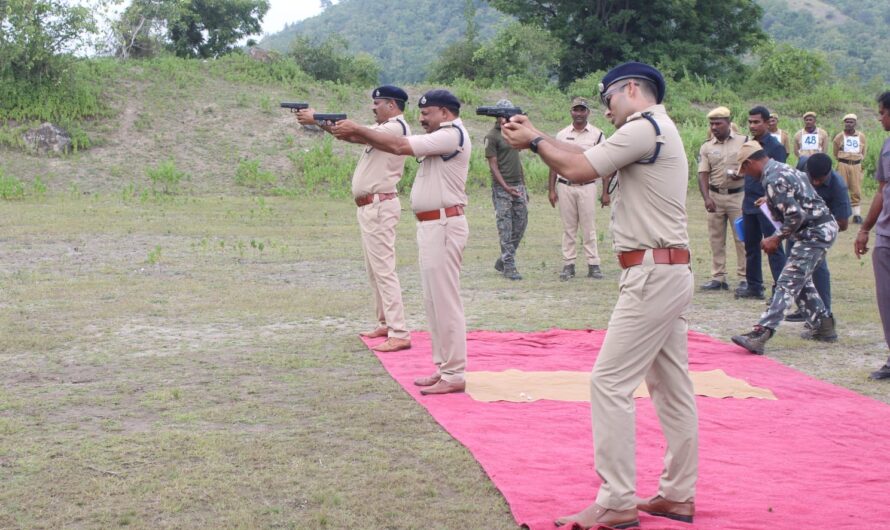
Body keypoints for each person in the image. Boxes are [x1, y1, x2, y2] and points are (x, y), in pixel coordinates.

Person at [502, 62, 698, 529]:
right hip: (666, 269)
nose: (605, 110)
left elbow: (578, 167)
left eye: (607, 99)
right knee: (671, 388)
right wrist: (541, 136)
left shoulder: (643, 127)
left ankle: (616, 500)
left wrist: (533, 139)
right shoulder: (653, 128)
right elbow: (578, 153)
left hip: (652, 273)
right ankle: (677, 493)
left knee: (609, 383)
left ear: (631, 90)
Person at [331, 89, 471, 395]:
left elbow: (396, 144)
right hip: (433, 224)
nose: (421, 119)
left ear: (445, 113)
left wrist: (357, 128)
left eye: (427, 113)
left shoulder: (452, 135)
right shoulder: (442, 135)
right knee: (434, 303)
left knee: (445, 302)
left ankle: (454, 372)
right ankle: (444, 369)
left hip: (445, 223)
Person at [296, 85, 412, 353]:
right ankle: (385, 323)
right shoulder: (381, 131)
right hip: (371, 207)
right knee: (375, 270)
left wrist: (317, 119)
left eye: (378, 103)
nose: (373, 107)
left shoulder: (395, 128)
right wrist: (323, 123)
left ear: (392, 105)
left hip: (379, 205)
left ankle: (399, 331)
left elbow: (357, 132)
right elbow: (350, 136)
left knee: (384, 270)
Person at [731, 142, 839, 354]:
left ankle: (762, 332)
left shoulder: (774, 178)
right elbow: (800, 197)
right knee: (799, 281)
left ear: (751, 162)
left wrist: (776, 238)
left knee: (787, 282)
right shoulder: (782, 168)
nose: (746, 175)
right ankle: (824, 327)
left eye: (745, 169)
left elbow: (796, 215)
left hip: (814, 233)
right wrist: (771, 201)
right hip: (820, 229)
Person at [781, 154, 849, 323]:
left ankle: (823, 315)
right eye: (813, 179)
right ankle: (805, 309)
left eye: (821, 180)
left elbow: (843, 223)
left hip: (819, 233)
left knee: (818, 270)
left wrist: (815, 231)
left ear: (828, 173)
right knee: (793, 267)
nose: (816, 183)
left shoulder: (838, 186)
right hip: (797, 226)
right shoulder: (802, 167)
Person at [549, 97, 607, 281]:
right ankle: (569, 264)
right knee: (569, 227)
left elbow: (605, 163)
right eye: (576, 110)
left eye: (582, 110)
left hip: (587, 186)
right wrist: (551, 189)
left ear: (588, 112)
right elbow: (554, 163)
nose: (579, 113)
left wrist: (605, 192)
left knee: (589, 227)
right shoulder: (562, 134)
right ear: (571, 112)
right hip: (565, 186)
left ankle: (593, 264)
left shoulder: (597, 135)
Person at [855, 91, 890, 381]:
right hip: (886, 237)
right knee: (886, 299)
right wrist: (865, 229)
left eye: (882, 112)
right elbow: (881, 190)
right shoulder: (887, 145)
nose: (879, 118)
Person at [736, 106, 788, 300]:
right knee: (751, 246)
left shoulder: (775, 147)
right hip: (749, 202)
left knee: (773, 246)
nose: (753, 125)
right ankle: (754, 286)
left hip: (769, 204)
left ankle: (781, 288)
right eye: (750, 122)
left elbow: (780, 177)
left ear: (767, 123)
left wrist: (772, 201)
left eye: (757, 122)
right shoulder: (749, 145)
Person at [698, 106, 747, 291]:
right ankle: (718, 278)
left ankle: (744, 277)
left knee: (741, 238)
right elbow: (703, 174)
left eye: (718, 123)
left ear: (728, 123)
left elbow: (752, 165)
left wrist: (741, 175)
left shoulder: (744, 142)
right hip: (716, 196)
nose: (714, 127)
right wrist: (706, 198)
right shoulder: (707, 146)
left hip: (738, 197)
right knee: (716, 239)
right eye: (712, 124)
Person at [485, 98, 528, 280]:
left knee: (521, 224)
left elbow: (518, 162)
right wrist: (505, 187)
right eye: (502, 115)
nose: (504, 118)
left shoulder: (513, 133)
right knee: (505, 228)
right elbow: (493, 166)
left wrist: (523, 186)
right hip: (502, 188)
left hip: (517, 185)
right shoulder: (492, 136)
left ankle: (503, 260)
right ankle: (509, 266)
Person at [832, 114, 867, 224]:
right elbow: (835, 152)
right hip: (843, 164)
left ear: (855, 123)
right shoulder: (839, 137)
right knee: (841, 188)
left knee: (856, 189)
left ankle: (856, 214)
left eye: (851, 122)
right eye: (847, 121)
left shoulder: (861, 136)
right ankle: (841, 214)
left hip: (856, 165)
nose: (848, 124)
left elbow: (864, 151)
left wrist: (858, 160)